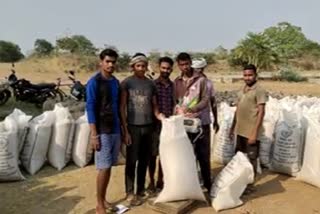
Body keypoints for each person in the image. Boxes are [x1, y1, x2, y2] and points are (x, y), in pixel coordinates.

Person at [120, 53, 164, 206]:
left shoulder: (150, 84)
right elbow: (122, 107)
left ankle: (140, 190)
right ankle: (130, 192)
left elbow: (154, 106)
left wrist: (159, 116)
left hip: (149, 126)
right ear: (133, 67)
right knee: (132, 161)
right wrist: (125, 130)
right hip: (133, 127)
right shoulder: (127, 83)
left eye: (143, 66)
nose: (141, 68)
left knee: (144, 160)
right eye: (138, 66)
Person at [86, 48, 121, 214]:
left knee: (109, 167)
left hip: (115, 128)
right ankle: (99, 204)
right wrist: (94, 135)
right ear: (101, 62)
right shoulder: (94, 82)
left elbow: (118, 106)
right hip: (102, 130)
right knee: (104, 167)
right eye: (107, 61)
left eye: (113, 62)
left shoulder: (115, 82)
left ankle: (104, 199)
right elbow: (90, 108)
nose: (110, 65)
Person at [174, 52, 211, 192]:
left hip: (201, 124)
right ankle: (191, 186)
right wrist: (178, 111)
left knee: (203, 156)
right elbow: (176, 101)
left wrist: (193, 108)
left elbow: (205, 100)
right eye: (182, 65)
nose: (185, 67)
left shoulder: (201, 80)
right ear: (178, 65)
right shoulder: (176, 82)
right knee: (187, 155)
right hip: (184, 124)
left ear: (191, 63)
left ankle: (208, 185)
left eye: (187, 64)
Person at [229, 64, 268, 193]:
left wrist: (254, 133)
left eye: (250, 75)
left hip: (251, 131)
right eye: (245, 75)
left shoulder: (259, 90)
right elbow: (238, 109)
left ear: (255, 75)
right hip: (240, 130)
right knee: (239, 157)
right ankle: (240, 181)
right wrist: (232, 127)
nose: (247, 77)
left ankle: (250, 185)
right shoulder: (242, 90)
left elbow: (261, 112)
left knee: (251, 159)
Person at [147, 56, 175, 193]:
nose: (166, 70)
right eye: (163, 68)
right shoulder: (152, 84)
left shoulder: (173, 86)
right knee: (153, 155)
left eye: (168, 68)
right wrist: (157, 116)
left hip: (168, 125)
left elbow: (175, 103)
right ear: (159, 68)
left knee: (165, 155)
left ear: (171, 69)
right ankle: (151, 181)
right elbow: (151, 104)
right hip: (154, 125)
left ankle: (160, 180)